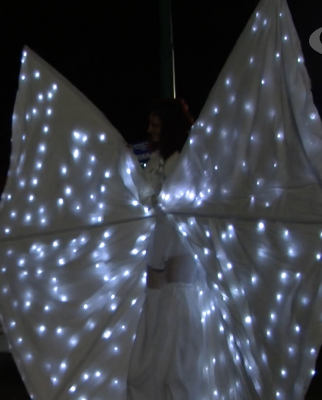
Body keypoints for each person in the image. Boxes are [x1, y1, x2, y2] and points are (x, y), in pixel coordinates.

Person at [127, 98, 204, 399]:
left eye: (156, 124)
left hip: (178, 244)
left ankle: (176, 389)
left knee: (177, 323)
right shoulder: (160, 161)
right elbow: (145, 196)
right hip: (158, 245)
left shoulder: (186, 161)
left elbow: (179, 201)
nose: (150, 130)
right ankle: (153, 387)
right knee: (156, 317)